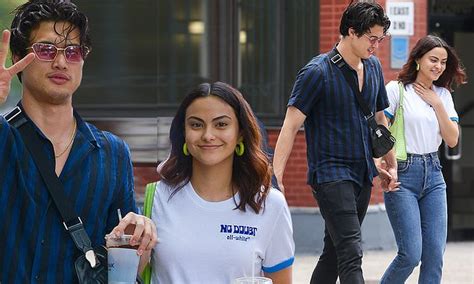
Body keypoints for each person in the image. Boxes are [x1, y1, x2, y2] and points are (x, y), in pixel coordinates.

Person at [0, 1, 157, 282]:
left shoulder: (111, 152)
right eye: (46, 50)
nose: (61, 62)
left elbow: (123, 268)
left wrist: (139, 240)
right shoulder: (2, 138)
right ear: (16, 56)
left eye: (72, 52)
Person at [273, 2, 395, 283]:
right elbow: (291, 126)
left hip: (364, 172)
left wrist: (389, 162)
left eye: (381, 39)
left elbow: (379, 118)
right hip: (330, 174)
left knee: (335, 252)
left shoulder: (374, 67)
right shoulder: (316, 72)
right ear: (351, 32)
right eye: (372, 38)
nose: (376, 45)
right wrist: (276, 175)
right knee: (352, 251)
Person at [142, 82, 295, 283]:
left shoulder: (271, 204)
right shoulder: (157, 198)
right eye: (196, 124)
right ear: (184, 134)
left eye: (221, 124)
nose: (208, 135)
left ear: (240, 133)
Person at [381, 35, 467, 284]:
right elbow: (380, 128)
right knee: (410, 254)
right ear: (418, 58)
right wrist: (382, 163)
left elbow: (452, 139)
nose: (438, 66)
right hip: (403, 174)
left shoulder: (443, 95)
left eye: (442, 61)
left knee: (434, 255)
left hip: (434, 175)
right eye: (433, 59)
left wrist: (437, 104)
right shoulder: (396, 90)